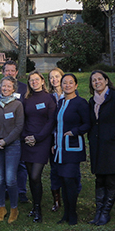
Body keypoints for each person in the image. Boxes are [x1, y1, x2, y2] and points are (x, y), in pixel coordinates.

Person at [88, 70, 115, 226]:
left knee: (110, 180)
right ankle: (98, 212)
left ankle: (106, 213)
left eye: (100, 79)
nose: (97, 82)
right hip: (97, 146)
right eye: (94, 80)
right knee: (99, 179)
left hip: (113, 146)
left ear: (106, 81)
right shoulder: (92, 101)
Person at [52, 73, 90, 225]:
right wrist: (54, 143)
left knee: (70, 180)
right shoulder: (60, 103)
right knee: (63, 180)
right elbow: (57, 125)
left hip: (73, 148)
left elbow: (87, 124)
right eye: (64, 83)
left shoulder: (80, 102)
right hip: (60, 149)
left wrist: (74, 132)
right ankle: (66, 214)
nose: (67, 85)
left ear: (76, 85)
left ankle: (73, 214)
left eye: (70, 83)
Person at [0, 76, 24, 224]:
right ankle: (1, 208)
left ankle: (14, 208)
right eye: (4, 86)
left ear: (13, 89)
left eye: (9, 86)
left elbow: (19, 127)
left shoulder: (17, 105)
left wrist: (5, 141)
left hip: (12, 146)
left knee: (10, 179)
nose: (6, 88)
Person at [21, 71, 56, 223]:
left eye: (36, 79)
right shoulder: (26, 99)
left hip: (42, 141)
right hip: (27, 141)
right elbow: (20, 120)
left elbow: (51, 121)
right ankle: (35, 207)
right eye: (31, 80)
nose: (34, 82)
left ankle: (38, 209)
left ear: (43, 81)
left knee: (36, 175)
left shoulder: (49, 98)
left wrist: (38, 137)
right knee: (31, 177)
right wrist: (25, 137)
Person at [48, 67, 66, 212]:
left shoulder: (71, 95)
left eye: (56, 76)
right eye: (51, 77)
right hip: (52, 138)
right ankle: (56, 200)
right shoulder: (48, 97)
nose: (54, 80)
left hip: (68, 138)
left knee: (69, 169)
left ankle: (70, 197)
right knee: (54, 170)